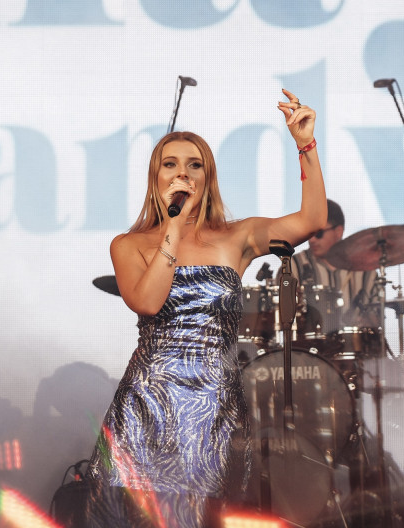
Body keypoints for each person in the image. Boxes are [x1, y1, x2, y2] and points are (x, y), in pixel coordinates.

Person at [85, 90, 326, 528]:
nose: (183, 173)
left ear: (208, 177)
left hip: (213, 409)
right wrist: (173, 226)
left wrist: (305, 145)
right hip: (146, 407)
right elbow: (148, 301)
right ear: (156, 177)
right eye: (170, 164)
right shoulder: (128, 245)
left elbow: (311, 221)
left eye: (194, 165)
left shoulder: (237, 237)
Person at [292, 200, 379, 336]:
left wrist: (369, 322)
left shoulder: (366, 271)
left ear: (338, 232)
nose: (312, 240)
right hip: (307, 348)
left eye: (318, 233)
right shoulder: (294, 266)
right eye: (309, 233)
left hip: (355, 346)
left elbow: (377, 321)